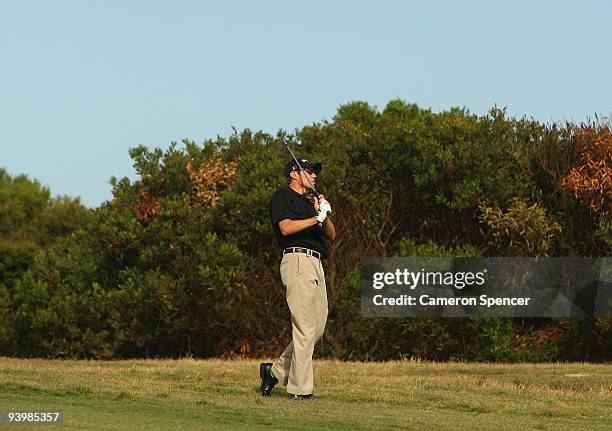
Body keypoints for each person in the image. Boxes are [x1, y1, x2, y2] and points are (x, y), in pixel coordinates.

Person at [260, 157, 336, 399]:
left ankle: (273, 372)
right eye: (309, 171)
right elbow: (286, 228)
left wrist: (324, 212)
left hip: (316, 263)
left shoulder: (310, 204)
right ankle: (300, 391)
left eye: (315, 172)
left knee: (317, 329)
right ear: (294, 174)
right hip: (297, 260)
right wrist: (317, 219)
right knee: (304, 328)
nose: (314, 175)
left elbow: (331, 235)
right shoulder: (282, 197)